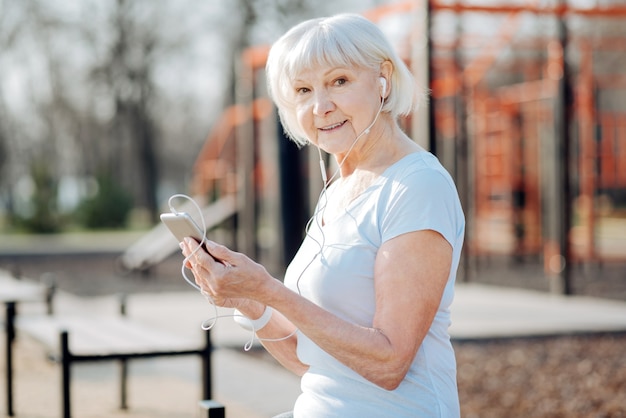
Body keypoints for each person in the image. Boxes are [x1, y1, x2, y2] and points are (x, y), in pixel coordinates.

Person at [181, 13, 465, 418]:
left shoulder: (418, 186)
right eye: (302, 89)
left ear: (383, 79)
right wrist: (248, 300)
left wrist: (269, 290)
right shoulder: (337, 189)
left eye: (339, 81)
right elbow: (311, 360)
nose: (321, 106)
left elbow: (388, 364)